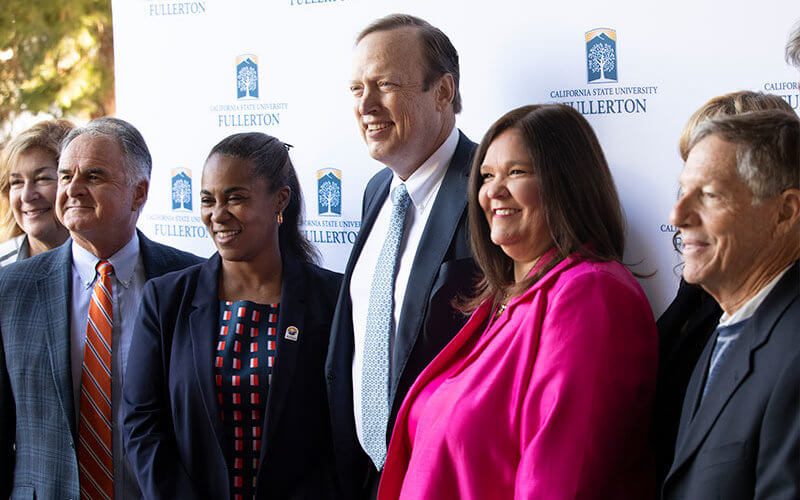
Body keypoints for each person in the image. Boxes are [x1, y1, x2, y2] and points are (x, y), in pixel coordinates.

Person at [378, 104, 658, 499]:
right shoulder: (499, 302)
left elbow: (561, 478)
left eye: (516, 172)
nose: (492, 191)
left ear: (567, 183)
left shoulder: (591, 293)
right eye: (487, 175)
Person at [123, 132, 341, 499]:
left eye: (235, 198)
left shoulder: (333, 300)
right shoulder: (165, 299)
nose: (218, 215)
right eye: (208, 200)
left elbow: (344, 431)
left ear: (279, 200)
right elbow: (142, 425)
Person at [0, 117, 201, 499]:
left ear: (138, 194)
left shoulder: (191, 281)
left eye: (93, 176)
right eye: (64, 176)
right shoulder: (11, 289)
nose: (73, 189)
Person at [326, 14, 478, 498]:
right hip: (368, 476)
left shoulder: (492, 191)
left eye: (385, 84)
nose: (366, 104)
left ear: (443, 91)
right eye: (356, 89)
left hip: (446, 476)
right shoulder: (377, 192)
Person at [655, 90, 793, 481]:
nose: (679, 213)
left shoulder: (780, 334)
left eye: (713, 191)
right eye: (686, 182)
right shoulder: (712, 302)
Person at [0, 119, 73, 265]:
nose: (26, 196)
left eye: (42, 179)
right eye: (17, 182)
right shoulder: (3, 267)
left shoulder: (108, 264)